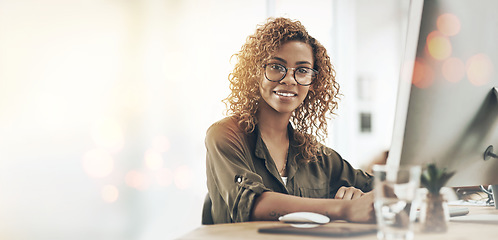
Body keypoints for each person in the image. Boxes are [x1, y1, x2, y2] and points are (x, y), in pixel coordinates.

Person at [205, 17, 375, 224]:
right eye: (276, 66)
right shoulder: (225, 135)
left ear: (313, 82)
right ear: (255, 72)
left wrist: (361, 198)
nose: (289, 79)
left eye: (302, 70)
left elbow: (382, 188)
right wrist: (344, 208)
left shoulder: (317, 156)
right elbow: (252, 204)